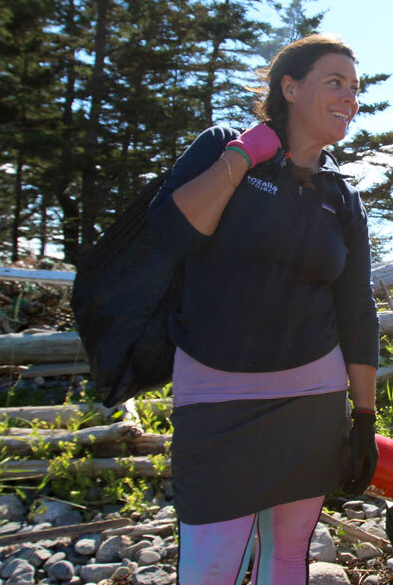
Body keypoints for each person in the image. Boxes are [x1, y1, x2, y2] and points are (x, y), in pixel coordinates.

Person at [148, 34, 381, 584]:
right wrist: (245, 154)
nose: (350, 98)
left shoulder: (341, 196)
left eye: (354, 88)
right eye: (334, 83)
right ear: (290, 87)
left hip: (311, 397)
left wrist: (365, 421)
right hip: (216, 393)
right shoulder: (224, 146)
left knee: (285, 555)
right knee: (210, 564)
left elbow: (356, 310)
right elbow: (172, 231)